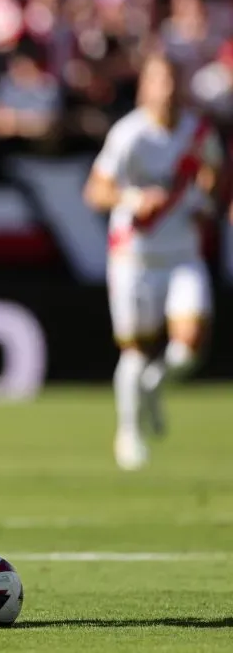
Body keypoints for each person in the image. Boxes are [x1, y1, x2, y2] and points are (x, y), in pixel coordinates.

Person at [84, 52, 226, 471]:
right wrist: (132, 198)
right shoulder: (129, 135)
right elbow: (95, 191)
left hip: (183, 253)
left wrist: (204, 197)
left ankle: (153, 386)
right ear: (144, 87)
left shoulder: (197, 130)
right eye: (157, 81)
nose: (164, 90)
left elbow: (212, 171)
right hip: (135, 257)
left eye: (171, 80)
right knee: (135, 350)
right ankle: (128, 433)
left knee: (189, 348)